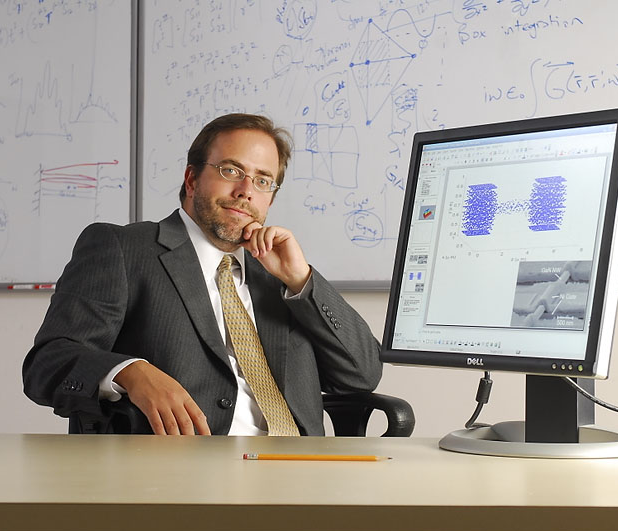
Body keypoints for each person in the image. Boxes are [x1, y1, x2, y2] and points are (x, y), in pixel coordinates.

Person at [22, 113, 382, 436]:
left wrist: (301, 280)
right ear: (192, 178)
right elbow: (47, 365)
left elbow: (361, 374)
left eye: (262, 181)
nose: (245, 191)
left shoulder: (282, 275)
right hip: (187, 475)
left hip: (300, 474)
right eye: (230, 171)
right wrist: (131, 372)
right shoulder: (122, 249)